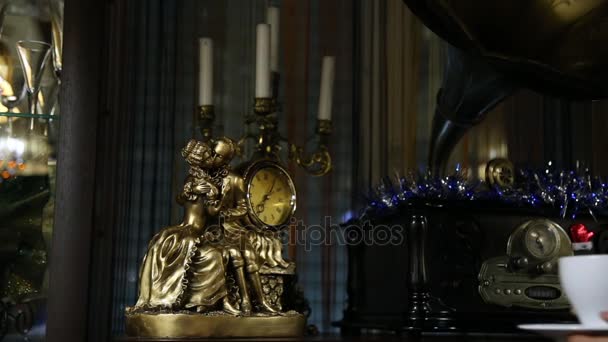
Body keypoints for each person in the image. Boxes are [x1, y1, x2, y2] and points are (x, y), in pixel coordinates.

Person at [131, 140, 238, 314]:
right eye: (208, 155)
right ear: (201, 161)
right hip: (191, 230)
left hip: (190, 229)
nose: (211, 158)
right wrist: (222, 197)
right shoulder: (202, 184)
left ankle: (204, 302)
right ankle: (185, 299)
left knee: (215, 254)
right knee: (210, 254)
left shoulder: (196, 181)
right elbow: (210, 210)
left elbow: (183, 200)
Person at [201, 137, 278, 314]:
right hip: (211, 229)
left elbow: (243, 208)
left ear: (227, 160)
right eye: (213, 153)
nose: (213, 157)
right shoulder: (203, 177)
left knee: (250, 255)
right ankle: (244, 303)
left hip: (233, 228)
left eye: (219, 156)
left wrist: (228, 214)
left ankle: (260, 301)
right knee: (236, 256)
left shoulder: (235, 180)